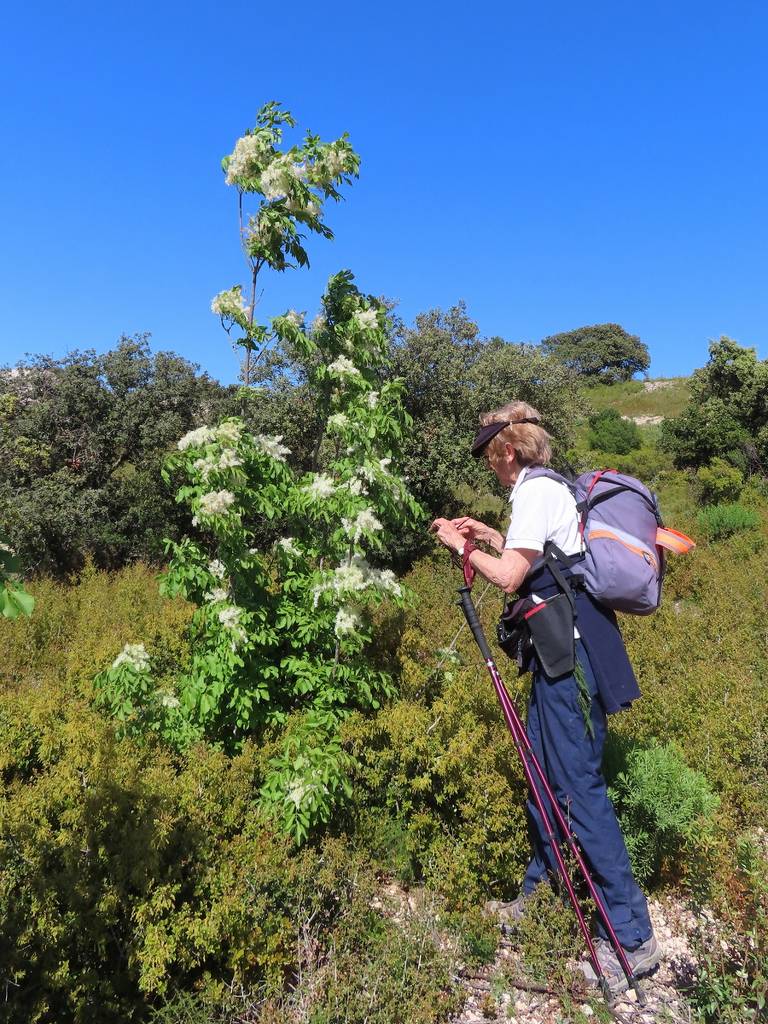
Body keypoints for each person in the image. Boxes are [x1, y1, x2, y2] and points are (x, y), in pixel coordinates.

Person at [430, 400, 660, 994]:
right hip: (562, 655)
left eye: (488, 452)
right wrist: (487, 535)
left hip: (570, 661)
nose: (486, 463)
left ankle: (632, 939)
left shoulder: (535, 491)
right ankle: (542, 890)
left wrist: (461, 550)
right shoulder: (545, 492)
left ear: (508, 449)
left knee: (579, 786)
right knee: (543, 775)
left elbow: (509, 576)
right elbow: (539, 558)